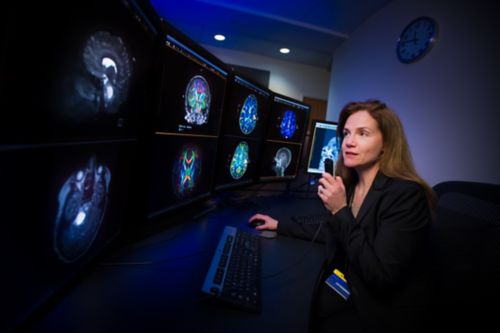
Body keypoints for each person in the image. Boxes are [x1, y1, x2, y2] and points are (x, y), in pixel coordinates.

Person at [249, 100, 436, 332]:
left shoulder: (407, 196)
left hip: (377, 312)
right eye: (346, 133)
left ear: (386, 144)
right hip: (347, 284)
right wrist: (279, 224)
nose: (349, 142)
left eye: (363, 133)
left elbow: (381, 277)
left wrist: (339, 210)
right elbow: (330, 229)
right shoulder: (352, 185)